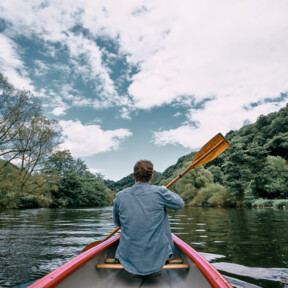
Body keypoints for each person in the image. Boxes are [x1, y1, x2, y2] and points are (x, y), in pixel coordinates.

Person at [113, 160, 184, 276]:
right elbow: (180, 204)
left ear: (133, 176)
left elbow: (117, 223)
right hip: (159, 257)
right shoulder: (160, 192)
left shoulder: (120, 196)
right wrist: (166, 191)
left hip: (128, 258)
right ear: (151, 177)